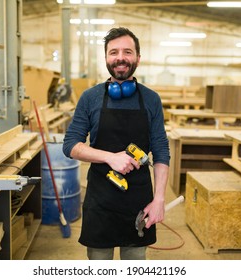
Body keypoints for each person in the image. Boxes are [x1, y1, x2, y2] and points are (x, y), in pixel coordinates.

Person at [62, 27, 170, 260]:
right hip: (100, 201)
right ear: (106, 59)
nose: (120, 57)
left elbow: (161, 150)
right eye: (114, 52)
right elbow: (70, 144)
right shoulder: (90, 98)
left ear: (138, 59)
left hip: (139, 202)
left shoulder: (151, 99)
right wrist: (111, 157)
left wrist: (159, 199)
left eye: (127, 52)